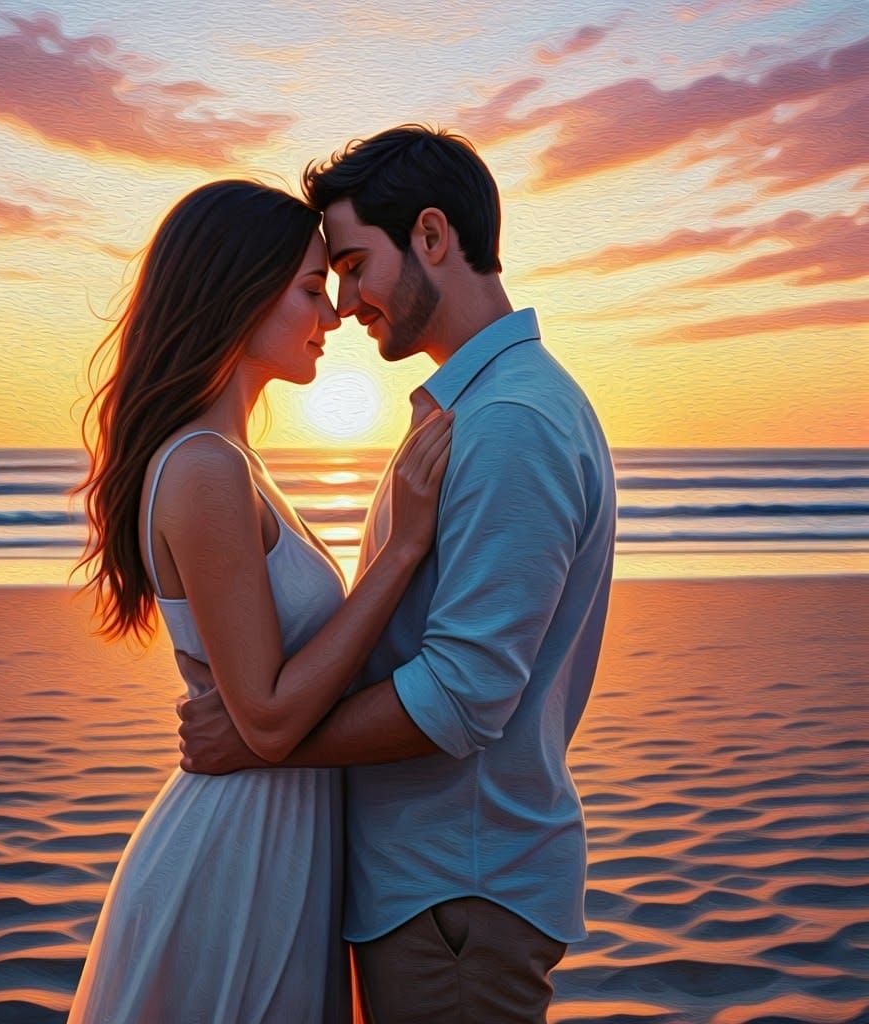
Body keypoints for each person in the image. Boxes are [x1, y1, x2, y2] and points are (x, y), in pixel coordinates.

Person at [177, 126, 618, 1023]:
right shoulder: (480, 408)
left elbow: (463, 694)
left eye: (350, 264)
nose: (344, 303)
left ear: (429, 236)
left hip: (456, 892)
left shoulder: (510, 424)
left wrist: (268, 738)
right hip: (436, 888)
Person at [67, 179, 454, 1024]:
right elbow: (270, 715)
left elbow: (268, 709)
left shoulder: (236, 461)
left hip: (279, 833)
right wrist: (405, 547)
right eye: (313, 289)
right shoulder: (205, 467)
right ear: (241, 295)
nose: (335, 313)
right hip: (236, 848)